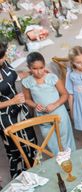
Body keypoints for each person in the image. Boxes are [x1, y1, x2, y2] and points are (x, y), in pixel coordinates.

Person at [22, 52, 76, 154]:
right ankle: (60, 162)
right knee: (51, 142)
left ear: (44, 65)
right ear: (29, 67)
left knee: (66, 140)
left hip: (59, 114)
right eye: (35, 69)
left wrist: (54, 105)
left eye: (41, 67)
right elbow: (27, 99)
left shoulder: (52, 78)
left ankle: (72, 160)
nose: (39, 72)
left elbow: (65, 94)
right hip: (43, 117)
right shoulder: (27, 82)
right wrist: (35, 105)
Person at [0, 42, 37, 178]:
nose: (3, 59)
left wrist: (29, 73)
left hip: (20, 109)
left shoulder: (3, 63)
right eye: (1, 57)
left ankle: (35, 171)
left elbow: (13, 77)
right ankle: (21, 178)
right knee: (16, 148)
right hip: (5, 117)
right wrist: (12, 101)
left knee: (31, 142)